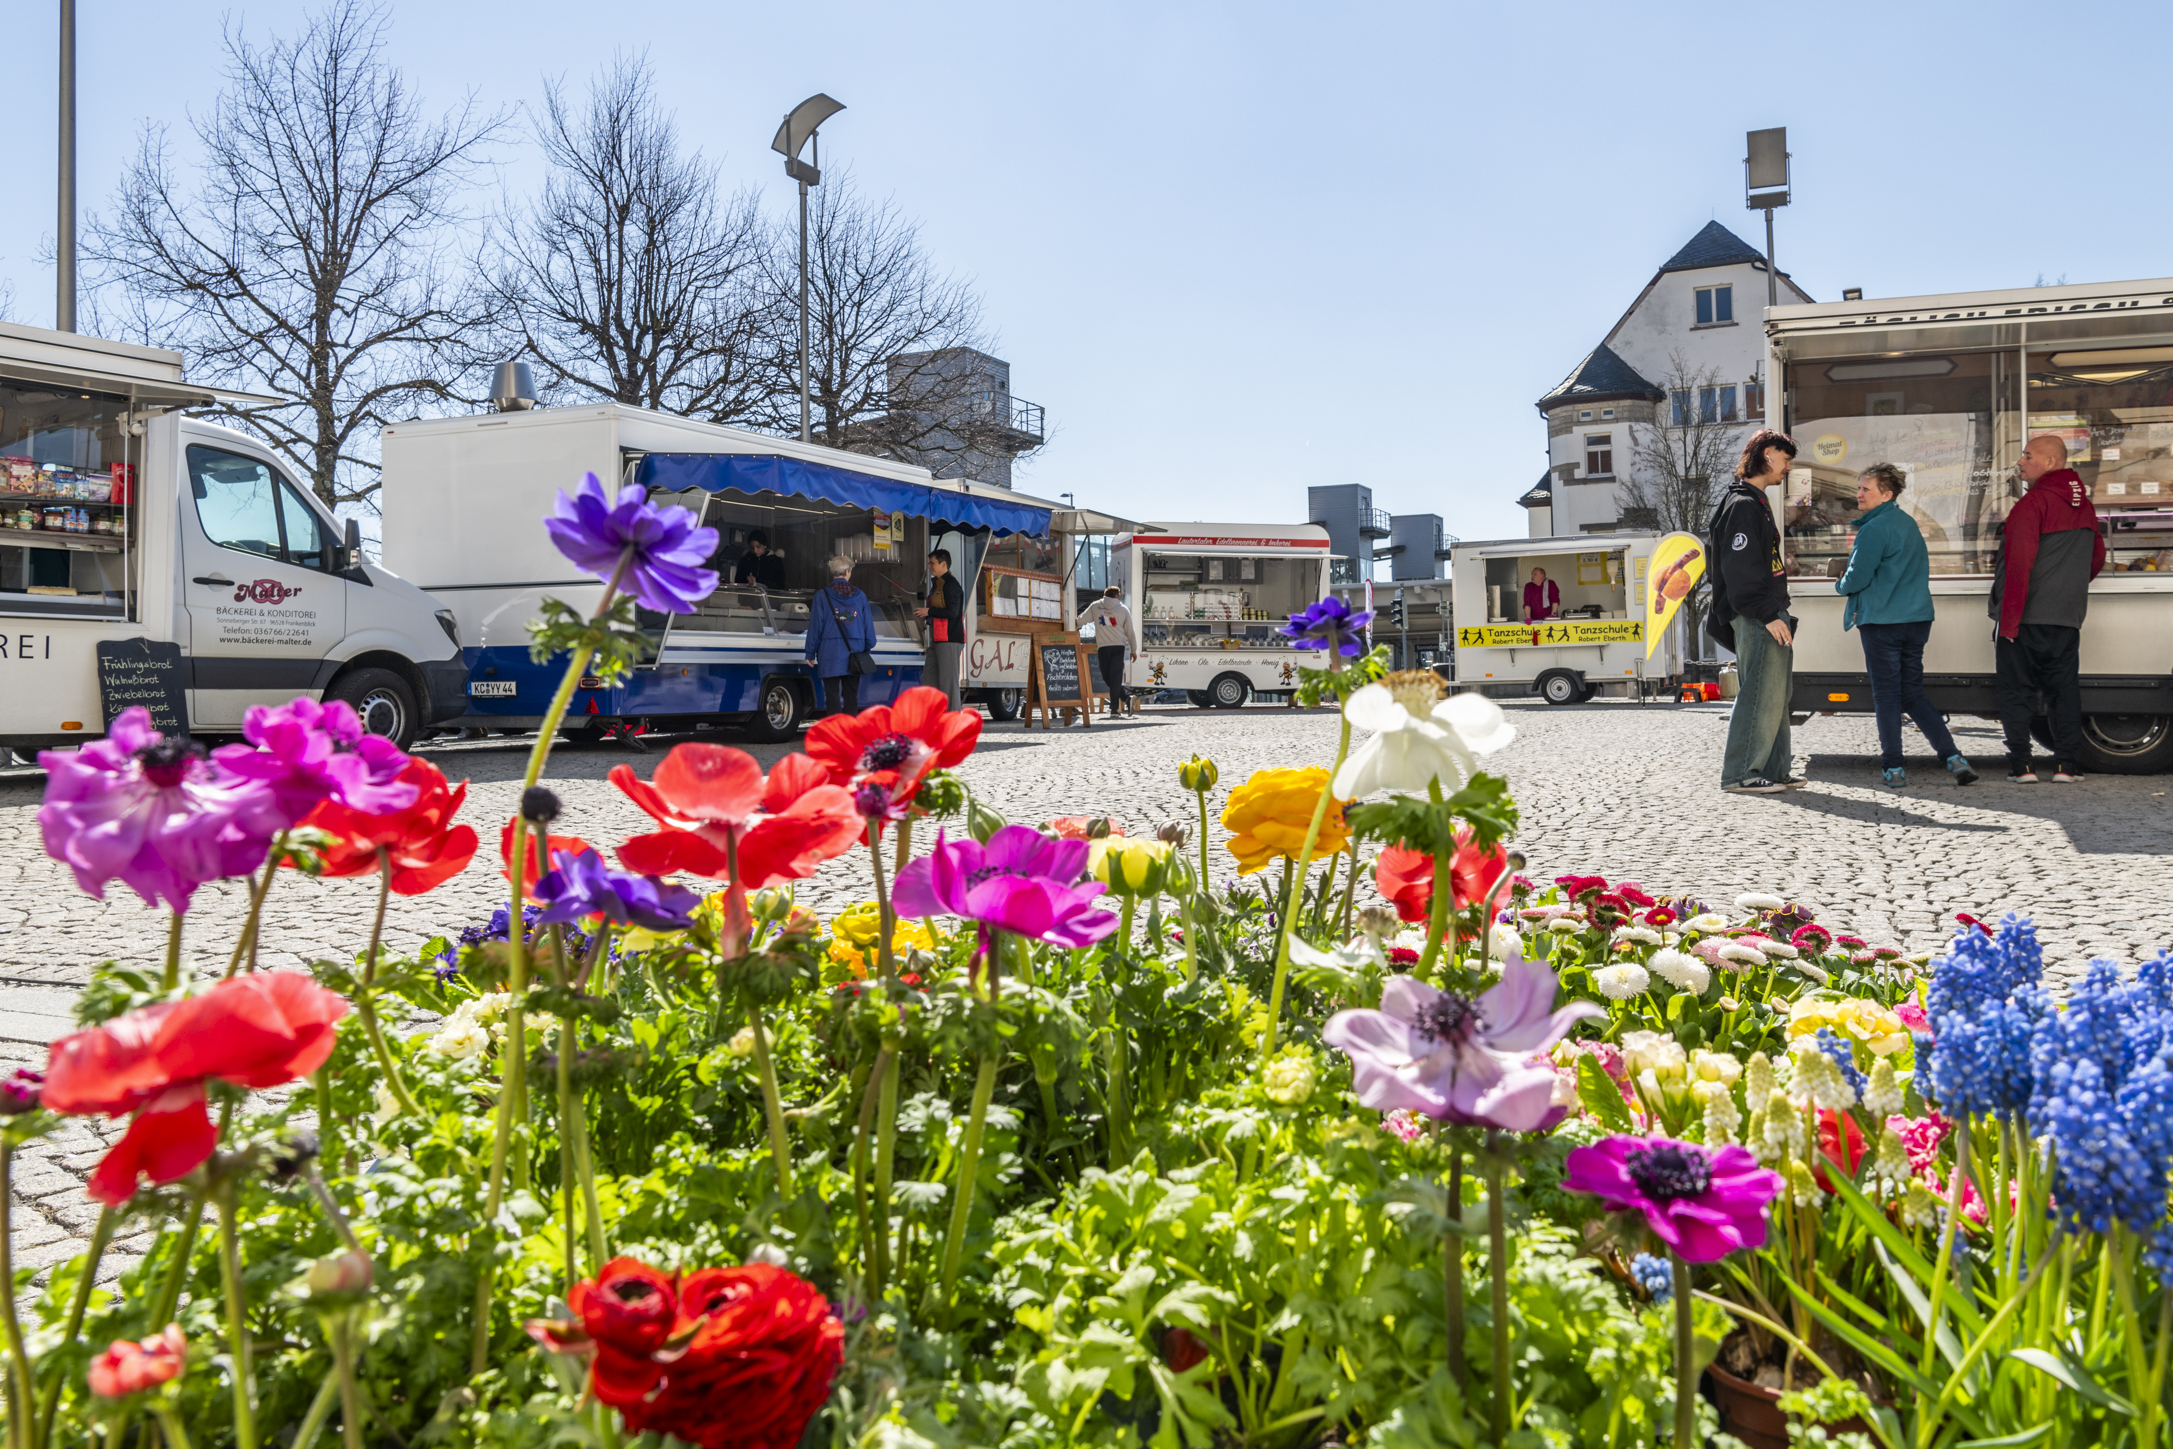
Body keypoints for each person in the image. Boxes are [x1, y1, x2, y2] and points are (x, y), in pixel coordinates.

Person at [1834, 463, 1978, 789]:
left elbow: (1857, 576)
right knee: (1912, 694)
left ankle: (1893, 768)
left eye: (1865, 489)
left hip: (1883, 621)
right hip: (1917, 619)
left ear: (1886, 494)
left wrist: (1839, 585)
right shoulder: (1909, 524)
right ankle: (1954, 758)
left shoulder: (1873, 529)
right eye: (1858, 488)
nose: (1858, 494)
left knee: (1886, 697)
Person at [1992, 434, 2106, 782]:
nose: (2020, 462)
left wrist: (2008, 622)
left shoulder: (2032, 504)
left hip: (2025, 618)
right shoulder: (2084, 507)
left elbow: (2019, 565)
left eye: (2027, 456)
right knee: (2064, 692)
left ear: (2051, 462)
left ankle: (2022, 767)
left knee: (2016, 692)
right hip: (2066, 618)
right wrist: (2067, 589)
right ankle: (2066, 766)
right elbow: (2096, 558)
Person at [1710, 428, 1803, 793]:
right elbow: (1740, 570)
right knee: (1759, 693)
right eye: (1785, 459)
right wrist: (1767, 614)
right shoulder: (1744, 505)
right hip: (1758, 615)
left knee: (1777, 694)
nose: (1788, 468)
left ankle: (1777, 769)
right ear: (1767, 455)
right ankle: (1740, 775)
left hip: (1767, 611)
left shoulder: (1752, 501)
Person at [804, 555, 876, 716]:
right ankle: (850, 734)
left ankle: (834, 735)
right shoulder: (861, 596)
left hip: (830, 652)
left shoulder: (821, 596)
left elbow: (815, 627)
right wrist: (866, 647)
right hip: (855, 652)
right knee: (851, 696)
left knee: (832, 696)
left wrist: (810, 652)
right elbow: (869, 630)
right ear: (847, 571)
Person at [914, 548, 966, 708]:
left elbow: (953, 612)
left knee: (949, 686)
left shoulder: (952, 585)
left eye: (932, 563)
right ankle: (932, 722)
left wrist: (929, 611)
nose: (929, 566)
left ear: (944, 564)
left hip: (950, 639)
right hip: (937, 640)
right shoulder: (939, 584)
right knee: (928, 684)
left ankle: (954, 726)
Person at [1076, 584, 1139, 712]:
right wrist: (1133, 649)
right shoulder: (1123, 609)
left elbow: (1081, 620)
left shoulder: (1095, 606)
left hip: (1103, 647)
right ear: (1116, 596)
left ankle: (1114, 708)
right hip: (1118, 647)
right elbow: (1130, 632)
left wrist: (1070, 626)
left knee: (1107, 677)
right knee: (1114, 677)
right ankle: (1126, 699)